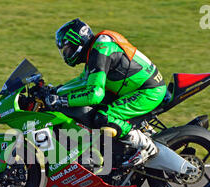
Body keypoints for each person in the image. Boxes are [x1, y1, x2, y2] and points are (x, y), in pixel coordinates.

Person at [45, 18, 167, 166]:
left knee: (104, 117)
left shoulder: (100, 52)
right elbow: (84, 81)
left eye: (68, 49)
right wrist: (56, 90)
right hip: (133, 88)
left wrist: (61, 100)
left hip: (148, 91)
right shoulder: (96, 48)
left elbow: (94, 94)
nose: (66, 54)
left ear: (78, 42)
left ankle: (146, 147)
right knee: (96, 111)